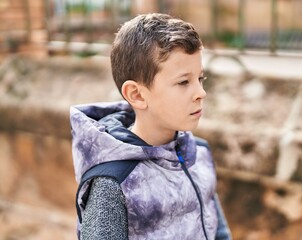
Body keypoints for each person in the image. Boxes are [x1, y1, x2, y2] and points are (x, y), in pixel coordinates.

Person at [70, 13, 232, 240]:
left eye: (200, 79)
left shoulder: (199, 153)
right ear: (136, 94)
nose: (200, 93)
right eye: (184, 82)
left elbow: (219, 231)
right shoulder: (114, 183)